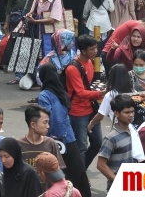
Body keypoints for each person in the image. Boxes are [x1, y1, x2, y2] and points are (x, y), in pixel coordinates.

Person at [37, 64, 89, 197]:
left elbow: (49, 118)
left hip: (56, 139)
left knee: (60, 172)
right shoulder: (60, 91)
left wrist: (48, 136)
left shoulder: (44, 95)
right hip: (69, 137)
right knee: (77, 172)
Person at [65, 35, 104, 170]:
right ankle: (80, 176)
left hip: (91, 110)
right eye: (92, 49)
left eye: (96, 48)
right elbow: (80, 92)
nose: (95, 51)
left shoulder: (90, 62)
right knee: (81, 147)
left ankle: (80, 170)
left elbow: (89, 86)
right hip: (78, 112)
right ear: (83, 51)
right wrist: (100, 94)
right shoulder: (72, 68)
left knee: (97, 143)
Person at [97, 94, 143, 190]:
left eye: (132, 112)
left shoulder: (133, 131)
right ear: (116, 113)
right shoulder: (111, 138)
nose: (131, 115)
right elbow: (101, 165)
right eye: (127, 112)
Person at [17, 105, 66, 191]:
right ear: (33, 124)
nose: (48, 126)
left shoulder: (51, 143)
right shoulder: (18, 145)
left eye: (48, 122)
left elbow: (60, 172)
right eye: (45, 122)